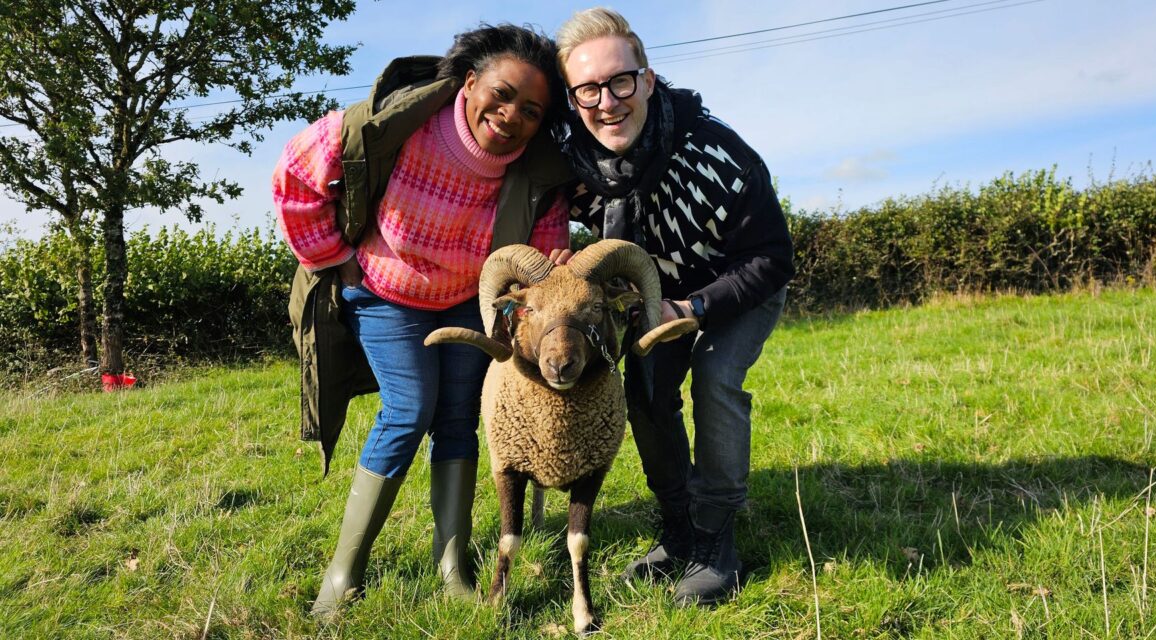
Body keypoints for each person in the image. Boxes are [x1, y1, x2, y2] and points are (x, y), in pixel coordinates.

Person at [273, 24, 574, 617]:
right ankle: (344, 573)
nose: (512, 115)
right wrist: (335, 258)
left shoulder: (542, 173)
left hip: (468, 302)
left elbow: (539, 254)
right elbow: (295, 175)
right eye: (503, 93)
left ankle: (452, 567)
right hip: (386, 293)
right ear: (469, 82)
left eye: (532, 110)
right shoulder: (393, 124)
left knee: (458, 417)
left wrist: (548, 273)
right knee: (410, 408)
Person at [555, 8, 795, 606]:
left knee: (715, 379)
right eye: (588, 89)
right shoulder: (573, 164)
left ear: (648, 78)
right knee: (644, 392)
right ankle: (680, 527)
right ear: (573, 97)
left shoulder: (719, 154)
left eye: (620, 81)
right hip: (655, 294)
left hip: (738, 285)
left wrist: (695, 305)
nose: (607, 102)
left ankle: (717, 536)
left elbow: (773, 256)